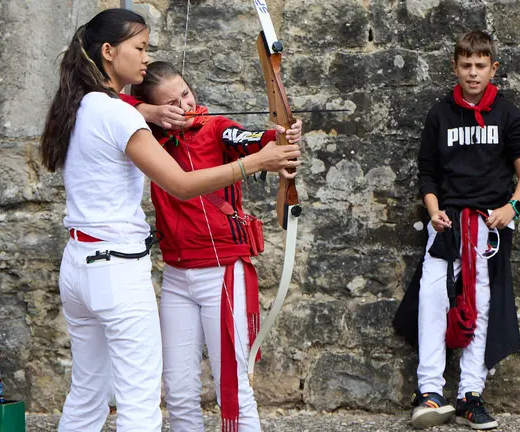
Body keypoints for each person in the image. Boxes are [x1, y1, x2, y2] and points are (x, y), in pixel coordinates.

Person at [39, 9, 300, 432]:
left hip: (78, 264)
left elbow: (241, 135)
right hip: (116, 270)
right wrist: (257, 163)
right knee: (141, 402)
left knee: (87, 393)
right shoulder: (120, 113)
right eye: (139, 48)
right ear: (108, 52)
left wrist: (275, 138)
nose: (145, 59)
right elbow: (179, 184)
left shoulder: (80, 104)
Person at [118, 61, 302, 432]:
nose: (185, 105)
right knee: (179, 391)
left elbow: (250, 141)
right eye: (171, 102)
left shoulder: (215, 127)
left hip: (222, 273)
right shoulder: (144, 133)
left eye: (185, 93)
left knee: (232, 388)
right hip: (176, 275)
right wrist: (148, 112)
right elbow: (107, 101)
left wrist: (280, 137)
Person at [393, 30, 520, 430]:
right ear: (455, 67)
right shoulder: (440, 115)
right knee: (432, 299)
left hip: (488, 225)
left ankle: (470, 394)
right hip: (447, 222)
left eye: (480, 66)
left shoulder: (508, 114)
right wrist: (434, 210)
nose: (473, 73)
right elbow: (427, 174)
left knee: (483, 305)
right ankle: (430, 393)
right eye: (466, 65)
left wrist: (512, 208)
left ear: (494, 68)